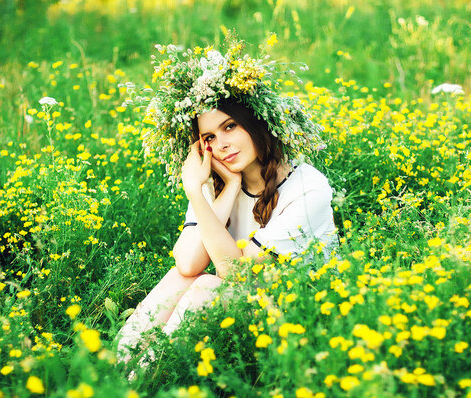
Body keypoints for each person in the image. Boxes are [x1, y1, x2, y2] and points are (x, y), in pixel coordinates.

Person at [116, 38, 337, 366]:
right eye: (209, 137)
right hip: (241, 306)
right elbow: (188, 263)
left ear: (255, 122)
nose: (222, 145)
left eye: (230, 126)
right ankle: (111, 370)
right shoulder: (215, 184)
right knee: (185, 278)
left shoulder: (307, 190)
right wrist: (216, 189)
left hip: (298, 319)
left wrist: (203, 194)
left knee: (207, 286)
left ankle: (145, 379)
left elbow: (235, 274)